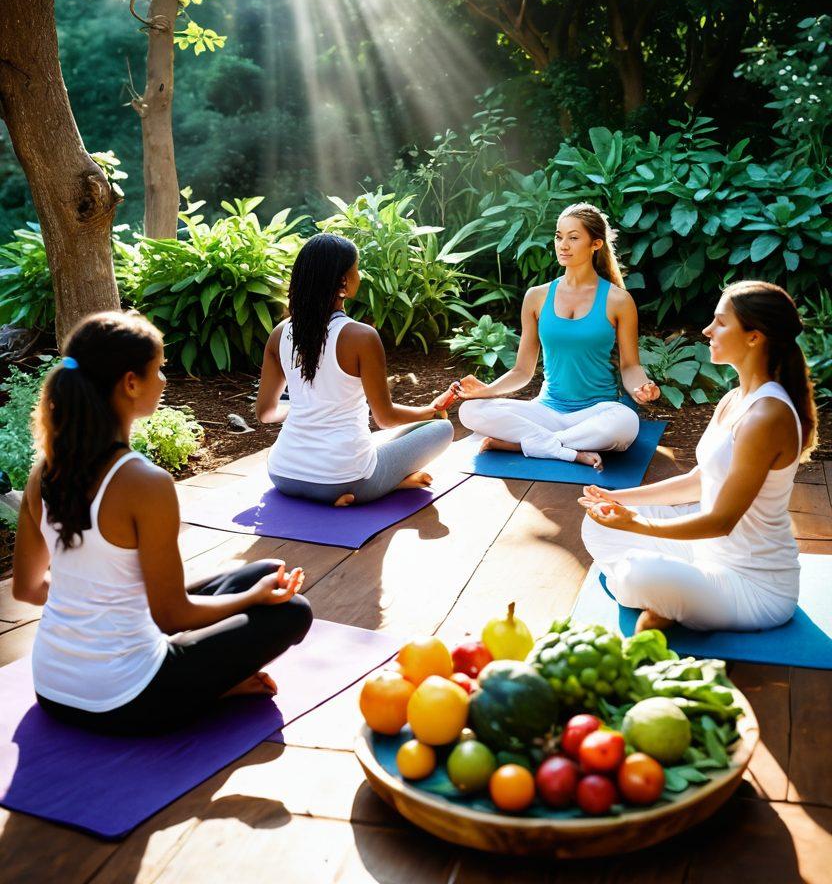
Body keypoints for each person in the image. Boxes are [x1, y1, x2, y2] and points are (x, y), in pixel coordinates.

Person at [12, 310, 312, 737]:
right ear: (130, 383)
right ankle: (212, 690)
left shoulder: (44, 472)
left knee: (264, 573)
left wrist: (93, 605)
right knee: (291, 611)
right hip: (125, 698)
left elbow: (26, 588)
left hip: (52, 686)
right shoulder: (145, 483)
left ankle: (206, 669)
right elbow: (172, 616)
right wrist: (253, 600)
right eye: (159, 370)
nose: (165, 381)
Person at [580, 280, 817, 634]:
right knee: (597, 522)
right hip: (706, 552)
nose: (707, 330)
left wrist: (635, 525)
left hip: (752, 585)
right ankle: (664, 594)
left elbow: (722, 520)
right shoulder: (734, 399)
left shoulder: (767, 416)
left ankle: (656, 590)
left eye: (720, 322)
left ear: (754, 336)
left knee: (640, 571)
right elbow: (699, 481)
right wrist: (617, 498)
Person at [257, 233, 457, 506]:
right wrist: (430, 411)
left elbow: (266, 413)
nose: (359, 276)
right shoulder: (361, 336)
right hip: (341, 479)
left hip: (283, 473)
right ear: (343, 282)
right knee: (441, 429)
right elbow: (385, 418)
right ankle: (384, 486)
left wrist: (310, 408)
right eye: (357, 269)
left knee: (381, 443)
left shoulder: (279, 334)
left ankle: (388, 483)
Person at [456, 203, 660, 469]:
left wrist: (641, 387)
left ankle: (528, 444)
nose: (563, 244)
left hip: (597, 412)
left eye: (574, 238)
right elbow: (522, 370)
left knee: (626, 423)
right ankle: (561, 445)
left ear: (595, 244)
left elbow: (631, 366)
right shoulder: (537, 297)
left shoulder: (618, 300)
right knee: (470, 411)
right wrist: (487, 392)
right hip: (546, 410)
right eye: (558, 236)